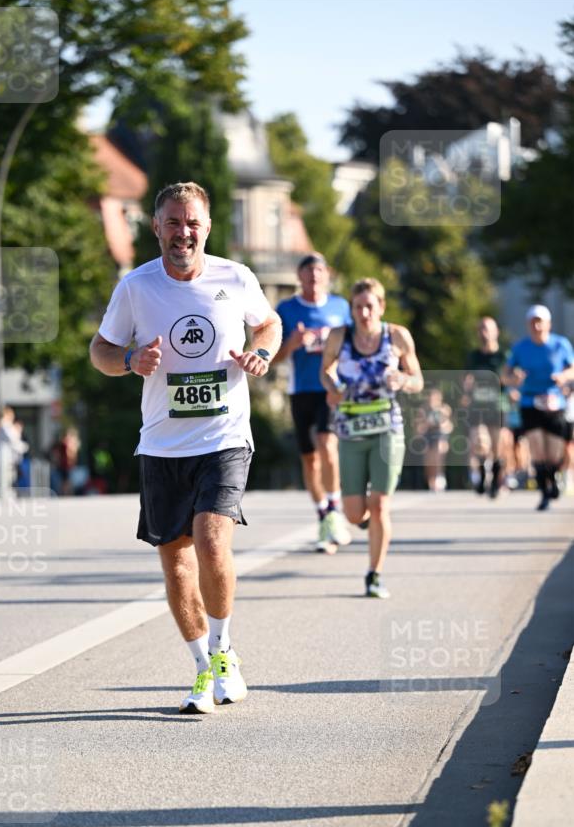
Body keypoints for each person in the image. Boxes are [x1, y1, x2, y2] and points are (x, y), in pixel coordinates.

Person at [89, 181, 281, 714]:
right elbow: (100, 349)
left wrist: (261, 353)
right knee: (176, 565)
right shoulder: (136, 287)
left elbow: (268, 323)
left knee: (212, 539)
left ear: (208, 227)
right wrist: (129, 361)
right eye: (173, 222)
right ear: (156, 227)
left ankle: (223, 654)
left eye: (192, 222)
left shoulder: (235, 277)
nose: (183, 232)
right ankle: (202, 666)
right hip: (162, 444)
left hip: (224, 437)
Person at [320, 277, 423, 599]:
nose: (363, 312)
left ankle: (374, 574)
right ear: (351, 308)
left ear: (381, 307)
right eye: (357, 307)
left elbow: (418, 379)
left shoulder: (397, 336)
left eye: (369, 306)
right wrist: (332, 387)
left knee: (379, 505)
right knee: (354, 514)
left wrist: (403, 380)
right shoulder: (340, 336)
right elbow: (325, 370)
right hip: (350, 430)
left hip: (387, 430)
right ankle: (368, 526)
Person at [273, 253, 352, 553]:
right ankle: (323, 516)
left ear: (327, 275)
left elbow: (352, 347)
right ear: (299, 276)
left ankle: (335, 510)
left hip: (329, 387)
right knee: (309, 458)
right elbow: (273, 357)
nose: (314, 276)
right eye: (308, 271)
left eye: (319, 270)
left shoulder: (340, 307)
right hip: (299, 389)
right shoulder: (286, 309)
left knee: (327, 443)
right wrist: (292, 344)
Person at [503, 304, 574, 511]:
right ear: (528, 324)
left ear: (548, 324)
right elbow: (505, 375)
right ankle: (544, 492)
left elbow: (572, 369)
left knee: (554, 453)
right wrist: (514, 378)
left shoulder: (560, 345)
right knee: (536, 449)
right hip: (529, 401)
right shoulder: (520, 347)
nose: (537, 325)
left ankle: (553, 476)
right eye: (533, 321)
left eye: (540, 321)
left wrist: (563, 376)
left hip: (554, 402)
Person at [463, 317, 510, 498]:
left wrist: (511, 385)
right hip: (477, 406)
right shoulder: (473, 356)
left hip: (497, 406)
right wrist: (466, 390)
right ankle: (482, 472)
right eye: (481, 329)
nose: (484, 332)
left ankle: (496, 478)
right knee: (480, 441)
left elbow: (510, 378)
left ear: (496, 332)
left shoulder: (504, 356)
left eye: (488, 329)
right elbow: (465, 379)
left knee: (497, 447)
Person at [415, 387, 453, 492]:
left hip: (440, 435)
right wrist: (427, 423)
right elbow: (419, 428)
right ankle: (431, 481)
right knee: (429, 460)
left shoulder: (445, 409)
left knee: (439, 454)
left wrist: (441, 423)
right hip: (428, 436)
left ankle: (439, 478)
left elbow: (449, 426)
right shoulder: (423, 410)